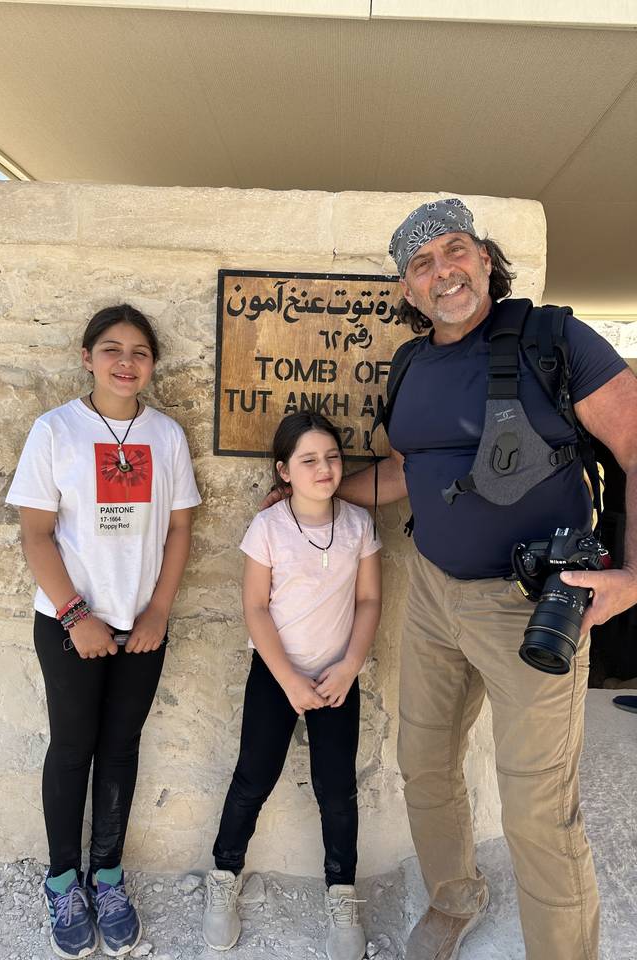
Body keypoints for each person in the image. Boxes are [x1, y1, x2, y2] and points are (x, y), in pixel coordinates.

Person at [278, 199, 637, 960]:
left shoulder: (553, 339)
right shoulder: (411, 364)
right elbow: (406, 469)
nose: (442, 272)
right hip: (434, 595)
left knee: (538, 808)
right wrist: (319, 493)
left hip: (532, 606)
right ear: (407, 289)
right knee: (425, 766)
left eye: (454, 251)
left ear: (484, 259)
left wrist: (634, 576)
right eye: (422, 264)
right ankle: (453, 897)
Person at [6, 304, 201, 959]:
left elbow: (180, 528)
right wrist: (74, 615)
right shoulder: (56, 430)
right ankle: (63, 881)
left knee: (120, 749)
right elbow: (36, 535)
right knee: (72, 749)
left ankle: (108, 877)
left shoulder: (166, 436)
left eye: (140, 351)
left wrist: (158, 611)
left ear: (152, 364)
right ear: (87, 358)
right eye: (112, 349)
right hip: (69, 625)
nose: (126, 362)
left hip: (141, 626)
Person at [201, 412, 382, 960]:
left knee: (337, 788)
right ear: (284, 470)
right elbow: (256, 608)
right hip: (276, 674)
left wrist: (350, 666)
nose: (324, 468)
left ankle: (342, 892)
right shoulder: (269, 527)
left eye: (332, 457)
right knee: (252, 778)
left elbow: (369, 599)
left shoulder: (358, 524)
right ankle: (224, 875)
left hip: (336, 677)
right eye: (308, 460)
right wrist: (287, 680)